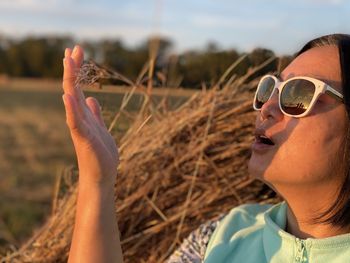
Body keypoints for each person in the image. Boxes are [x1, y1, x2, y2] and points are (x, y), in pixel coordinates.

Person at [62, 34, 350, 263]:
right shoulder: (223, 235)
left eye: (299, 93)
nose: (267, 108)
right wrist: (97, 180)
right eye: (269, 90)